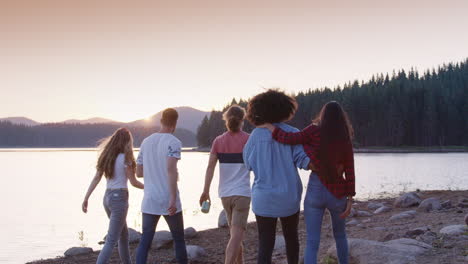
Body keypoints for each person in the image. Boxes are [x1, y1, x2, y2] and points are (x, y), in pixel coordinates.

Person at [262, 101, 355, 264]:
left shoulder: (314, 131)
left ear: (323, 114)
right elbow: (349, 169)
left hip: (315, 190)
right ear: (342, 118)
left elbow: (290, 138)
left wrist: (270, 127)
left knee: (312, 242)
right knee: (340, 236)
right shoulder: (344, 136)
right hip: (337, 192)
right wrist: (350, 198)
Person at [242, 90, 312, 264]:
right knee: (291, 238)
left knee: (265, 243)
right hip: (289, 196)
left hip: (263, 197)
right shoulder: (293, 132)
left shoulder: (255, 136)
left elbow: (248, 165)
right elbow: (304, 161)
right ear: (284, 109)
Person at [82, 128, 144, 264]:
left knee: (123, 235)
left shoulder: (107, 157)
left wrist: (86, 198)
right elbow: (133, 182)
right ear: (127, 142)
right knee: (111, 240)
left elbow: (96, 178)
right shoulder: (126, 159)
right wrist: (148, 187)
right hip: (119, 199)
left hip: (107, 198)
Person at [199, 105, 251, 264]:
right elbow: (257, 165)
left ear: (226, 119)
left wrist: (205, 191)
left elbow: (210, 168)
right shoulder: (249, 139)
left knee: (236, 235)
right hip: (242, 194)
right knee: (236, 236)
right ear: (243, 119)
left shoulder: (218, 141)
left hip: (225, 195)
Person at [135, 108, 188, 264]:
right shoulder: (174, 142)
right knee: (179, 239)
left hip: (150, 198)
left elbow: (139, 172)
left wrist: (153, 170)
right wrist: (172, 198)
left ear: (161, 120)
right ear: (175, 123)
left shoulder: (146, 142)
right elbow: (171, 170)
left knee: (145, 241)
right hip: (168, 198)